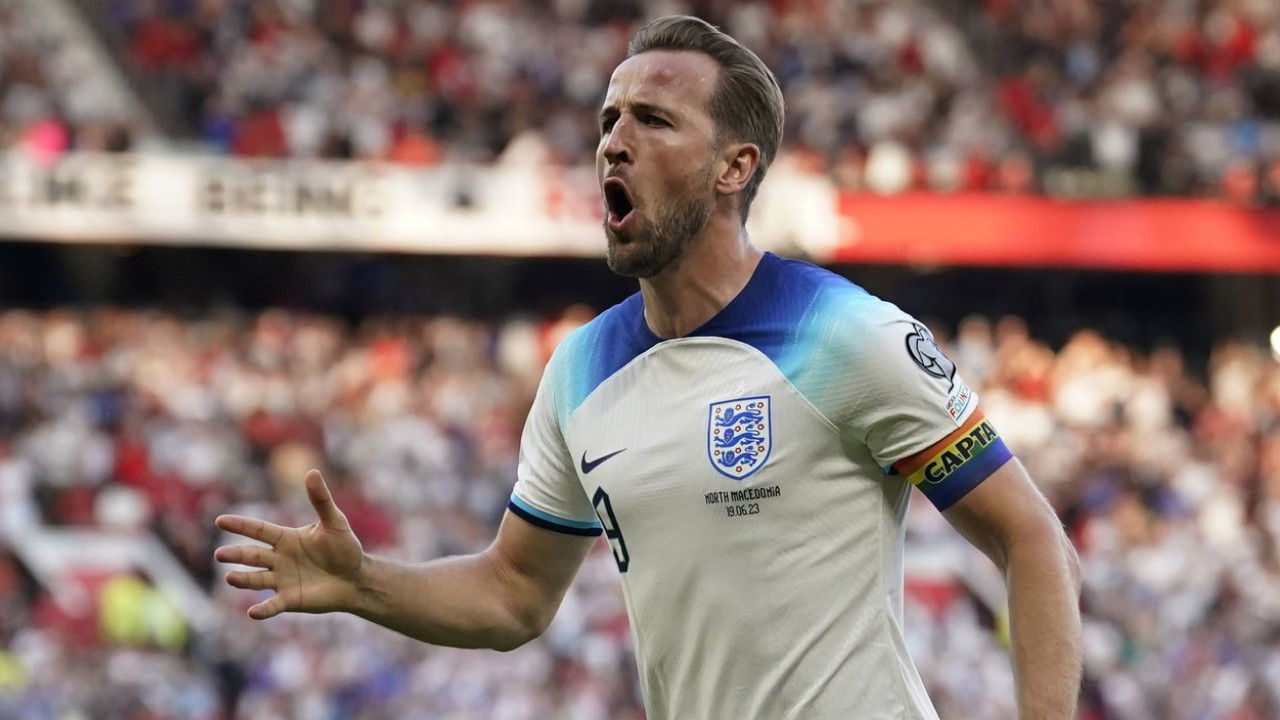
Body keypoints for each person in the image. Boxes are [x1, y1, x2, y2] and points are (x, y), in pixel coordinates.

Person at [214, 15, 1082, 719]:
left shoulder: (844, 333)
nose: (614, 143)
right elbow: (514, 594)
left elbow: (1031, 536)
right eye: (608, 121)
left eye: (653, 121)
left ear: (733, 169)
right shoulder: (580, 372)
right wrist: (365, 583)